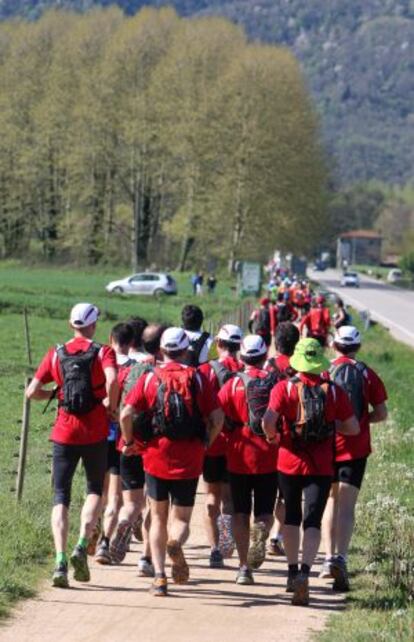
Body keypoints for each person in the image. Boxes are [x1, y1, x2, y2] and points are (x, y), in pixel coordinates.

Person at [120, 327, 223, 597]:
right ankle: (175, 542)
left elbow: (125, 414)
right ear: (186, 349)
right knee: (181, 518)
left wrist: (130, 442)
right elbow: (218, 418)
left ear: (162, 350)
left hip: (155, 456)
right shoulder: (198, 378)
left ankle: (160, 577)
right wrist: (206, 442)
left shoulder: (150, 377)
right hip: (189, 456)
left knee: (157, 517)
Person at [26, 303, 118, 588]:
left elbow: (31, 392)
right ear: (94, 324)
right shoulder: (104, 351)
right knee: (93, 491)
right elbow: (114, 379)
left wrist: (54, 394)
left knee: (60, 496)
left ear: (71, 324)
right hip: (94, 432)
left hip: (64, 433)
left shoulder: (56, 352)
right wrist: (111, 407)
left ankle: (60, 561)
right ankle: (81, 544)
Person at [262, 338, 359, 606]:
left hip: (288, 462)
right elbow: (353, 428)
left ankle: (292, 573)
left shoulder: (284, 388)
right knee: (312, 521)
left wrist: (274, 437)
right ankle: (306, 571)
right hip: (321, 465)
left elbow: (267, 422)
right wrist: (330, 424)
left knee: (291, 517)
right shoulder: (334, 392)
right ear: (319, 362)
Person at [320, 326, 388, 590]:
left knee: (330, 501)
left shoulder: (324, 372)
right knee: (347, 506)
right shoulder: (367, 374)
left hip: (327, 447)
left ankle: (326, 559)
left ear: (334, 345)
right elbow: (381, 413)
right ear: (357, 347)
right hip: (356, 449)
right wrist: (360, 421)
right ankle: (342, 558)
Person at [218, 335, 279, 585]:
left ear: (242, 358)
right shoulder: (276, 382)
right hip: (270, 455)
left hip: (238, 455)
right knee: (265, 511)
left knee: (241, 513)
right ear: (265, 356)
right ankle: (262, 529)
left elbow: (218, 417)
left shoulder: (232, 384)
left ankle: (243, 568)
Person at [110, 324, 168, 575]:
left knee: (132, 503)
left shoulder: (130, 370)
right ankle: (145, 558)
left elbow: (117, 407)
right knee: (156, 507)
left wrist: (128, 439)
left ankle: (124, 521)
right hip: (155, 448)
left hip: (128, 442)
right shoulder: (164, 373)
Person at [198, 324, 244, 568]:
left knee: (210, 496)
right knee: (229, 497)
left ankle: (214, 548)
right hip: (238, 444)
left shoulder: (206, 370)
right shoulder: (245, 369)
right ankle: (227, 540)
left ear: (218, 343)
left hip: (212, 443)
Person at [95, 322, 134, 565]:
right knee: (115, 496)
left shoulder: (99, 364)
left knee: (95, 491)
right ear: (131, 343)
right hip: (120, 436)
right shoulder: (137, 369)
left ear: (111, 339)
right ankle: (103, 543)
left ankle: (90, 531)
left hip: (96, 435)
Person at [265, 322, 300, 556]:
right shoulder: (298, 367)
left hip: (266, 434)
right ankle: (275, 536)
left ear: (276, 342)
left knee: (263, 489)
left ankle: (262, 528)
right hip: (289, 437)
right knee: (284, 494)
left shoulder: (268, 366)